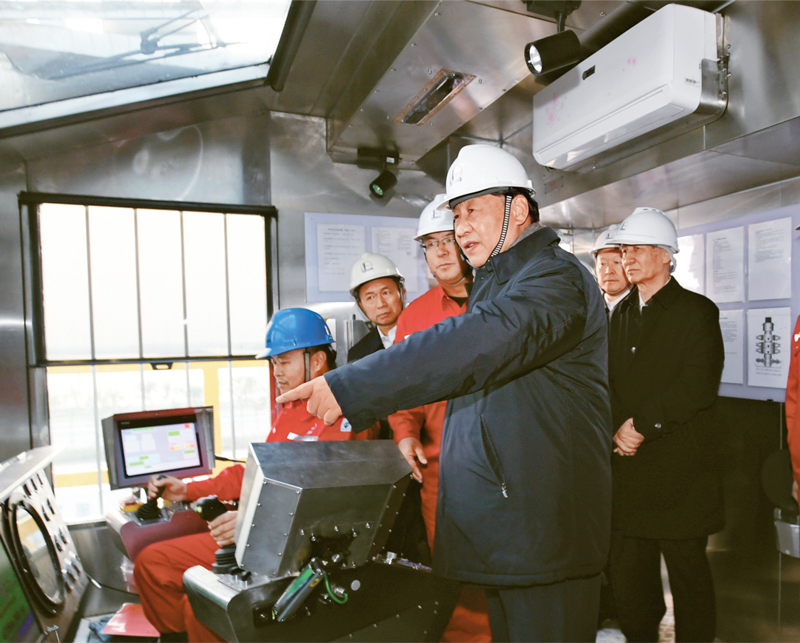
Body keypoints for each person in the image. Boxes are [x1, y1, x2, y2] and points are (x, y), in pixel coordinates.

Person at [279, 144, 612, 642]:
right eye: (456, 215)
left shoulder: (554, 279)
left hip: (547, 529)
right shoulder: (499, 282)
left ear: (519, 209)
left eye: (473, 210)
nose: (461, 228)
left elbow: (474, 344)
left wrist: (350, 384)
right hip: (515, 528)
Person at [133, 308, 373, 643]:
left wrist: (251, 521)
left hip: (295, 546)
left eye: (284, 361)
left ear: (317, 360)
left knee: (199, 607)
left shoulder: (345, 413)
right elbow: (255, 472)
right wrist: (186, 490)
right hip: (257, 532)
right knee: (152, 564)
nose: (277, 372)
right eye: (273, 363)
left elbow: (328, 502)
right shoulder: (291, 408)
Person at [607, 207, 725, 642]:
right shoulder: (620, 314)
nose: (628, 258)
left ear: (666, 255)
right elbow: (607, 382)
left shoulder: (697, 312)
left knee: (689, 579)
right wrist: (616, 429)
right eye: (625, 250)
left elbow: (698, 385)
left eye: (638, 249)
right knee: (631, 579)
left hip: (681, 474)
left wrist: (639, 425)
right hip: (630, 473)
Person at [390, 195, 491, 642]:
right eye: (430, 245)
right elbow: (401, 391)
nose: (442, 252)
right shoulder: (415, 317)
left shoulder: (502, 302)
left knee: (514, 570)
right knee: (456, 571)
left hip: (507, 466)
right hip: (441, 472)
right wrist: (405, 434)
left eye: (448, 240)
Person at [346, 252, 406, 361]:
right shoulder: (359, 354)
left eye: (386, 293)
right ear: (360, 305)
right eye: (370, 297)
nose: (381, 304)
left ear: (402, 293)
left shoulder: (425, 335)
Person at [592, 224, 631, 316]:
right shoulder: (588, 309)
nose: (608, 271)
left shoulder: (643, 308)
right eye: (603, 264)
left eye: (617, 262)